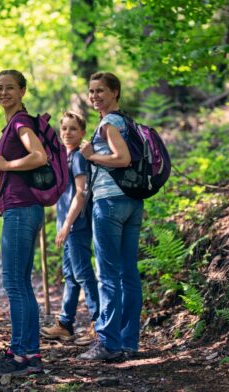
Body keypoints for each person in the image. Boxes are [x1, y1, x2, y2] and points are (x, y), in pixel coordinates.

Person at [0, 70, 48, 376]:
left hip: (22, 210)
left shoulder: (20, 122)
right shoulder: (13, 123)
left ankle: (22, 355)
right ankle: (26, 353)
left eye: (9, 88)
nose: (3, 93)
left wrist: (8, 164)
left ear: (22, 91)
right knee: (20, 283)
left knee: (15, 283)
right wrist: (8, 170)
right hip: (23, 208)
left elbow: (39, 155)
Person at [78, 72, 144, 361]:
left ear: (115, 92)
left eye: (101, 91)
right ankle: (128, 342)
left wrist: (91, 156)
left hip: (109, 202)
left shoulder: (108, 124)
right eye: (92, 92)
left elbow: (123, 158)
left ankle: (108, 344)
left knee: (108, 275)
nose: (95, 96)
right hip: (132, 201)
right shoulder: (128, 122)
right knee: (128, 273)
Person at [40, 111, 99, 346]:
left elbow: (82, 193)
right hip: (66, 225)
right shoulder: (64, 157)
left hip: (77, 225)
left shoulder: (78, 158)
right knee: (71, 277)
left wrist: (67, 225)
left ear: (82, 132)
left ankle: (99, 323)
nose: (67, 133)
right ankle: (65, 325)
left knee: (83, 274)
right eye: (64, 128)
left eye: (73, 129)